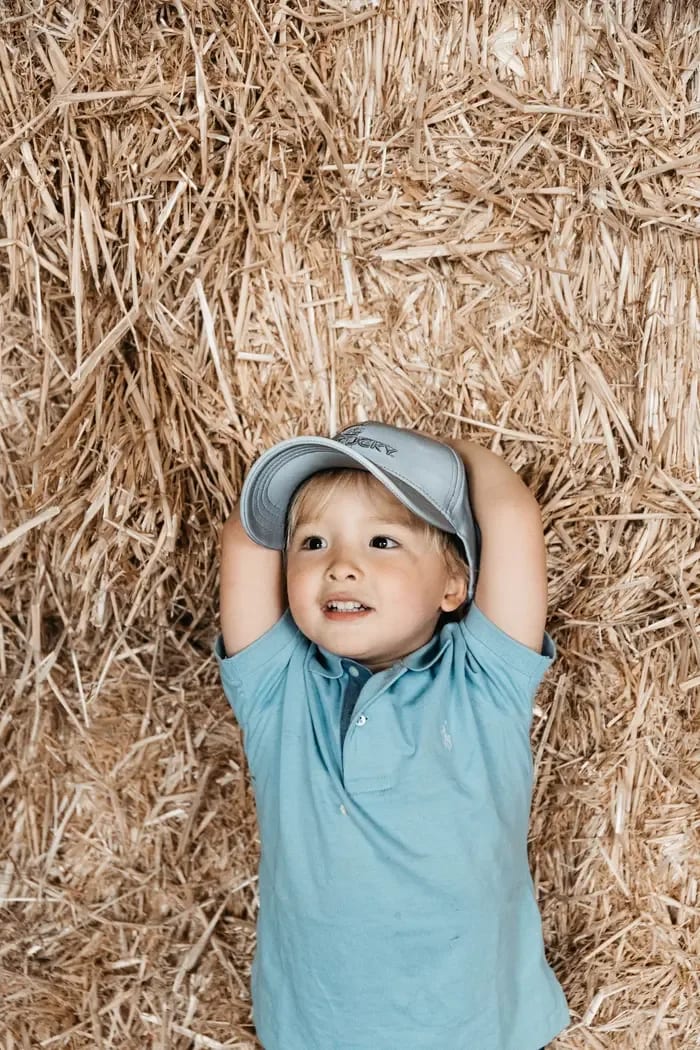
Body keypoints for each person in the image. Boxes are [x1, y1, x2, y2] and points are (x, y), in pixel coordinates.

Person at [214, 421, 570, 1050]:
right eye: (313, 543)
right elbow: (245, 542)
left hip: (477, 1028)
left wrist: (448, 456)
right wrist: (319, 470)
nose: (341, 566)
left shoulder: (483, 679)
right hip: (316, 1032)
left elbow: (512, 520)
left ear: (454, 585)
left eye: (382, 541)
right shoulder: (278, 688)